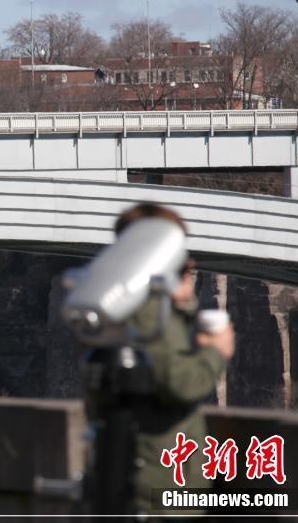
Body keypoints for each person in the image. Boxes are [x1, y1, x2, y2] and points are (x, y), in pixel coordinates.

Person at [90, 203, 236, 517]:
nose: (188, 263)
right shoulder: (148, 313)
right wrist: (216, 351)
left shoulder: (113, 302)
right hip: (160, 484)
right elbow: (180, 383)